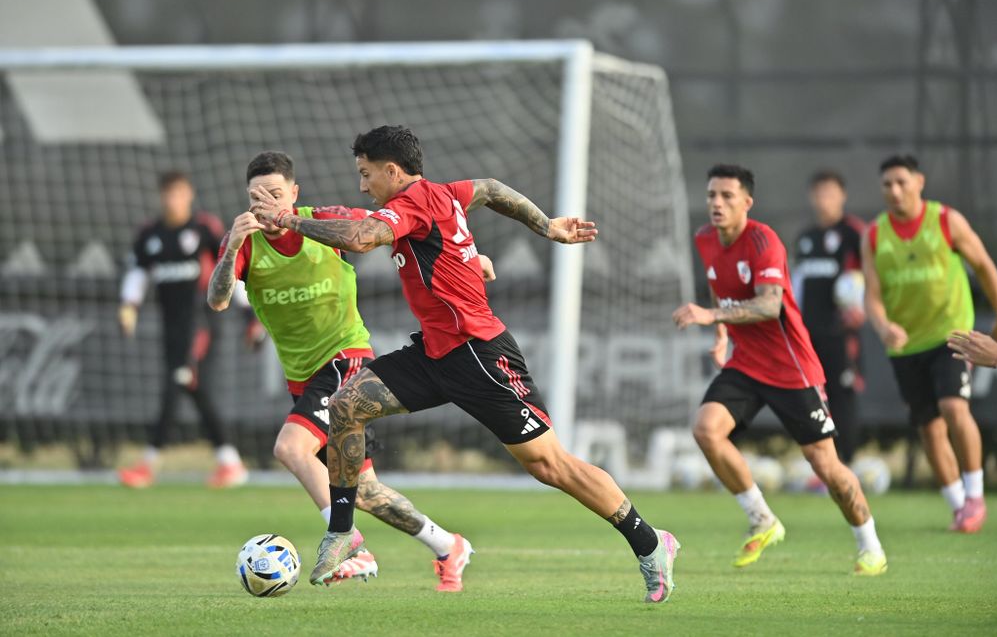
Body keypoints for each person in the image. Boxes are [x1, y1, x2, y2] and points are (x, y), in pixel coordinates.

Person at [249, 125, 679, 604]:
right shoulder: (445, 193)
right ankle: (343, 532)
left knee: (550, 465)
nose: (363, 185)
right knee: (346, 406)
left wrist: (287, 220)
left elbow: (360, 238)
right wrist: (545, 226)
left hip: (479, 355)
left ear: (392, 171)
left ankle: (650, 542)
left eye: (366, 174)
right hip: (434, 354)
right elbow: (490, 190)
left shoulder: (412, 203)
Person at [207, 150, 480, 591]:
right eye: (256, 198)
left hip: (345, 358)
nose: (266, 206)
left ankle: (349, 543)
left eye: (275, 194)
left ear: (294, 194)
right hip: (301, 377)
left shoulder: (326, 221)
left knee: (290, 448)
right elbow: (218, 300)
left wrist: (468, 260)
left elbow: (401, 228)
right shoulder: (243, 242)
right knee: (364, 491)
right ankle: (448, 545)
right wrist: (233, 247)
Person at [672, 164, 887, 576]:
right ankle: (762, 518)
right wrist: (721, 333)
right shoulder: (704, 238)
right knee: (706, 430)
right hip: (746, 363)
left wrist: (711, 315)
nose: (717, 203)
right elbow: (719, 284)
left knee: (826, 466)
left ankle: (870, 544)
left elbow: (770, 305)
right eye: (712, 195)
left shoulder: (763, 240)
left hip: (792, 368)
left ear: (747, 203)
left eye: (727, 196)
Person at [862, 154, 997, 533]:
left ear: (919, 182)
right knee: (929, 428)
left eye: (901, 182)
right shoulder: (874, 235)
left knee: (953, 407)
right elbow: (871, 295)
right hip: (905, 345)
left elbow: (985, 267)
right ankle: (958, 506)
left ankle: (975, 496)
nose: (894, 191)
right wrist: (883, 325)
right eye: (887, 184)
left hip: (950, 333)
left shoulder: (945, 220)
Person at [118, 171, 248, 489]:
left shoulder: (203, 228)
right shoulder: (150, 234)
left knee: (178, 381)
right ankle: (230, 461)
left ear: (189, 195)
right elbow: (138, 272)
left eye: (179, 193)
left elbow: (230, 268)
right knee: (192, 385)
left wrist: (249, 315)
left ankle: (148, 463)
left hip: (201, 324)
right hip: (171, 327)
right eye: (168, 194)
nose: (173, 200)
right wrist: (129, 305)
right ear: (161, 196)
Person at [792, 170, 867, 463]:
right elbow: (797, 285)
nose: (824, 198)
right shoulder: (805, 238)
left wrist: (863, 306)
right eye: (819, 192)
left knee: (842, 396)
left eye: (831, 193)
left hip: (841, 335)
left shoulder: (854, 233)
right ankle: (822, 465)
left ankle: (847, 462)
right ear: (812, 196)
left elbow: (873, 275)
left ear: (842, 196)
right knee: (811, 399)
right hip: (808, 335)